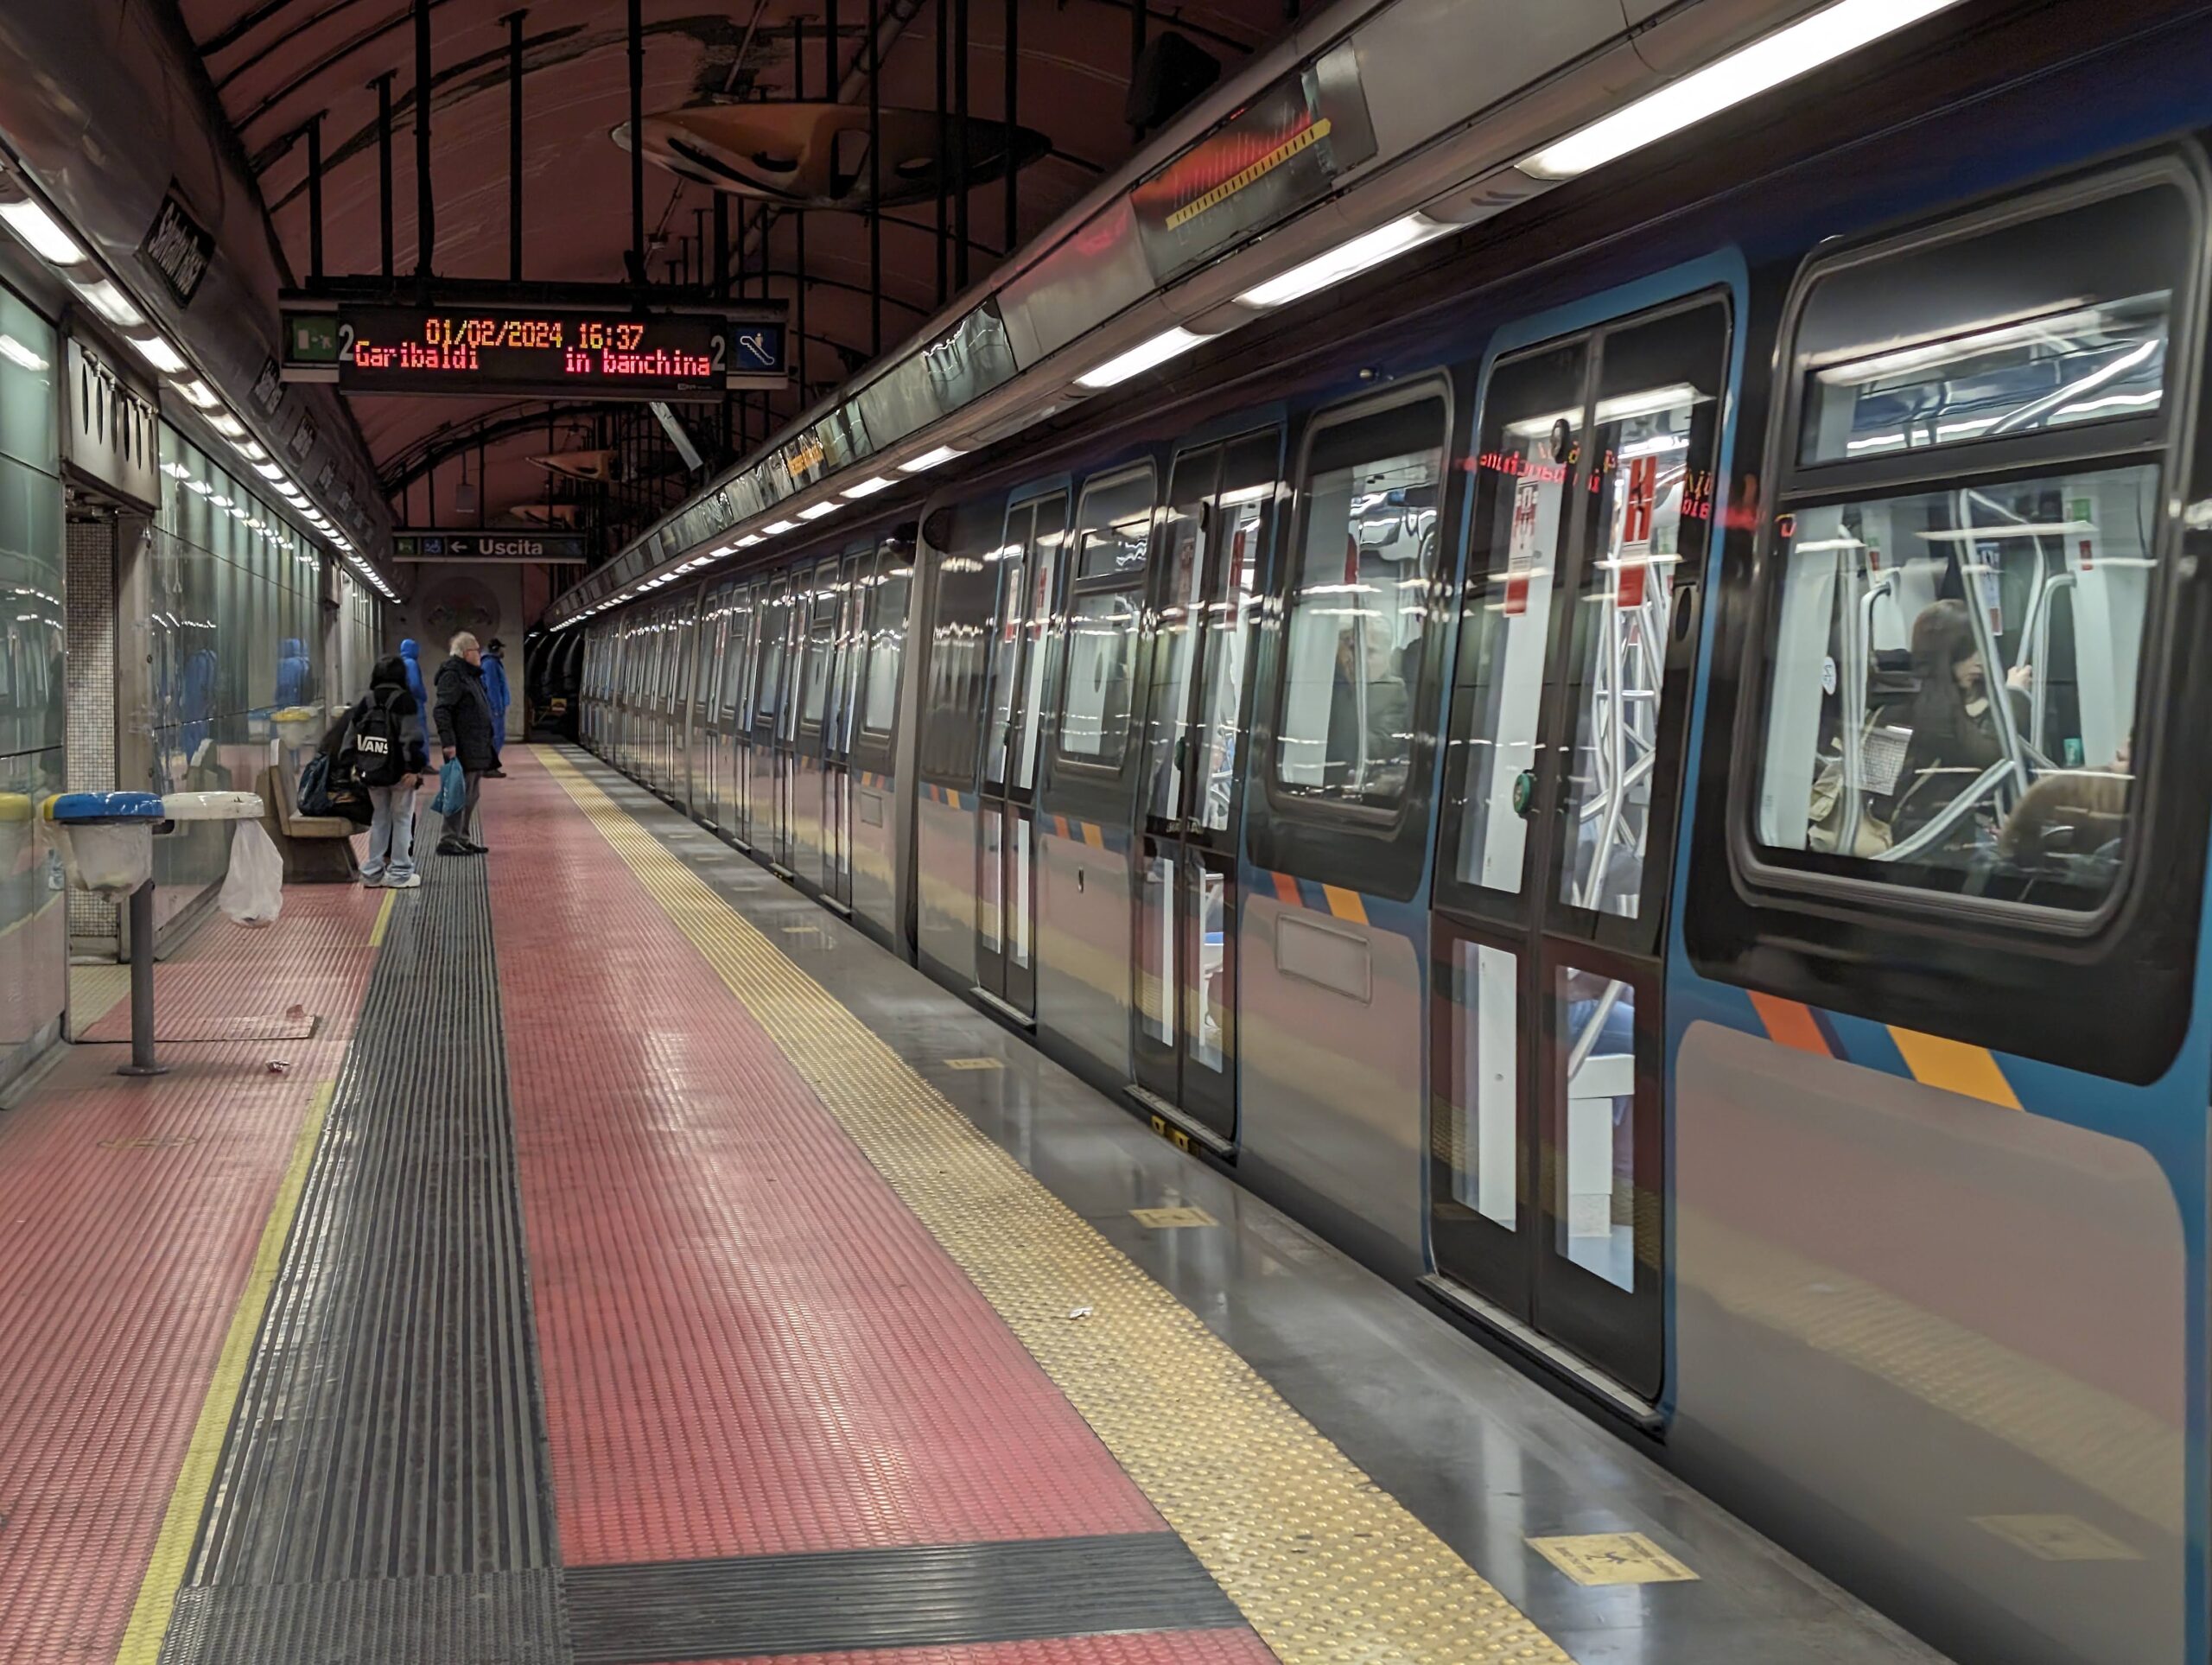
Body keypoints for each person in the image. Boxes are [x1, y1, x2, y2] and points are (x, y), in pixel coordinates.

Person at [1881, 600, 2031, 847]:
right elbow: (1989, 756)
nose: (1980, 661)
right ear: (1944, 655)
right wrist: (2014, 696)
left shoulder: (1927, 698)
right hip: (1924, 840)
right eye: (1967, 652)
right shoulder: (1921, 710)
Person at [339, 654, 429, 888]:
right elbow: (411, 737)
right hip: (400, 773)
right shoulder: (404, 701)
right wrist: (414, 769)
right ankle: (400, 872)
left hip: (372, 771)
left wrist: (352, 765)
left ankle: (373, 872)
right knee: (402, 818)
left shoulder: (366, 701)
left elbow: (350, 736)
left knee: (379, 818)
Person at [432, 632, 498, 855]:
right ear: (464, 653)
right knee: (458, 795)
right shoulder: (453, 675)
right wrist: (448, 743)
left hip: (476, 745)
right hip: (462, 746)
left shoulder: (471, 675)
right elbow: (442, 710)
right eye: (476, 650)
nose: (480, 654)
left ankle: (462, 836)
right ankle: (449, 839)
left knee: (471, 796)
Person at [481, 637, 512, 778]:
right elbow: (492, 687)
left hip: (493, 706)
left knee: (495, 737)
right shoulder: (490, 664)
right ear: (497, 649)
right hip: (494, 708)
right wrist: (497, 708)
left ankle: (490, 765)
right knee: (495, 737)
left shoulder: (491, 663)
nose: (503, 651)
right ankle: (489, 766)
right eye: (502, 648)